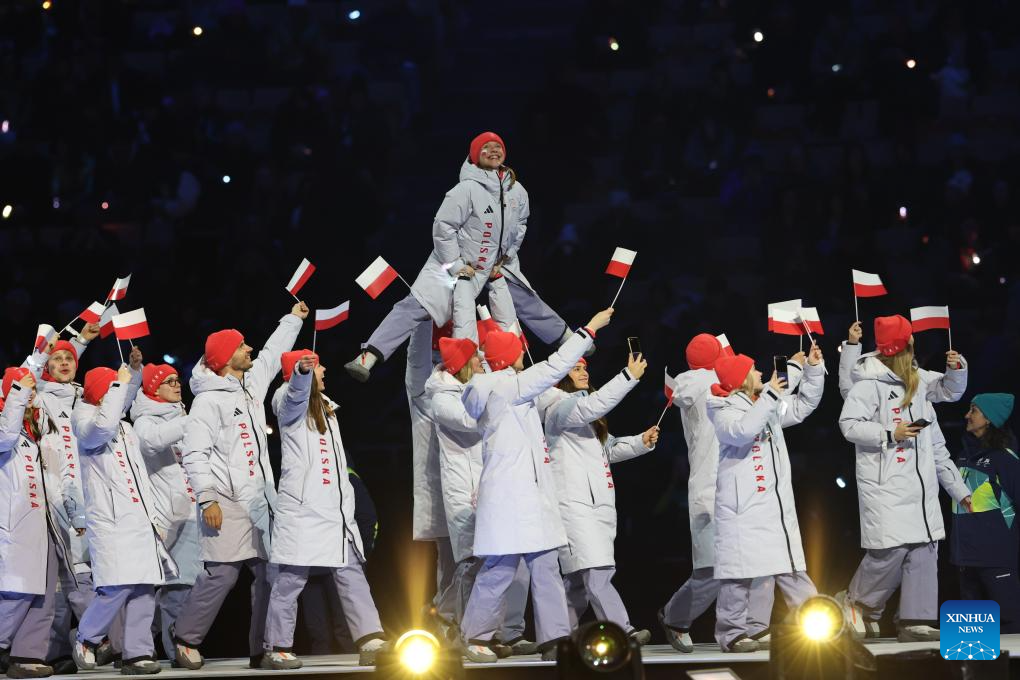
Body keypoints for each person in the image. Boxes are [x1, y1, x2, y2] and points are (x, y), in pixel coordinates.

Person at [345, 131, 572, 383]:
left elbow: (521, 224)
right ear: (475, 156)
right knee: (417, 304)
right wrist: (455, 265)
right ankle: (368, 356)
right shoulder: (465, 190)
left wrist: (507, 255)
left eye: (497, 146)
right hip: (457, 262)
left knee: (527, 299)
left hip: (496, 264)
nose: (494, 151)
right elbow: (443, 227)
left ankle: (568, 339)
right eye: (486, 147)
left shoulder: (516, 190)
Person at [458, 308, 613, 663]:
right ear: (506, 358)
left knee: (546, 567)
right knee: (500, 569)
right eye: (517, 350)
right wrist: (589, 329)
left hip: (530, 498)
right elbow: (556, 366)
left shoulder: (510, 387)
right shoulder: (506, 387)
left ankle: (555, 639)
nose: (522, 355)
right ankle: (475, 637)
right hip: (512, 500)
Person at [172, 303, 307, 670]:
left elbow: (272, 354)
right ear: (224, 358)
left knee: (270, 574)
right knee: (223, 574)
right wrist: (207, 499)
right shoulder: (207, 401)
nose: (249, 348)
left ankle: (265, 648)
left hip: (259, 499)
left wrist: (293, 318)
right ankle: (185, 638)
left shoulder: (249, 387)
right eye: (241, 345)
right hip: (225, 500)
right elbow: (194, 453)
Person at [838, 315, 972, 642]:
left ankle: (915, 620)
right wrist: (890, 432)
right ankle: (856, 603)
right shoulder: (867, 383)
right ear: (904, 345)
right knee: (891, 552)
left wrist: (960, 491)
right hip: (885, 486)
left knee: (925, 549)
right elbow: (849, 425)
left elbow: (944, 416)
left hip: (921, 490)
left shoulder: (919, 380)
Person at [659, 334, 794, 651]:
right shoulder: (711, 385)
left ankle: (754, 626)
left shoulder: (717, 385)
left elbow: (770, 403)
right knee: (714, 569)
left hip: (743, 484)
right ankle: (676, 617)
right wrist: (796, 370)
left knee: (759, 559)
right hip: (713, 487)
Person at [261, 351, 387, 669]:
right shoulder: (287, 401)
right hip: (304, 511)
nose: (324, 369)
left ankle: (371, 639)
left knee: (351, 571)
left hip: (334, 512)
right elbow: (293, 396)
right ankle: (277, 647)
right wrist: (301, 374)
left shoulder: (326, 407)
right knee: (291, 579)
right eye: (318, 367)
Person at [708, 346, 825, 653]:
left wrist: (812, 370)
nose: (760, 372)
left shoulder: (766, 402)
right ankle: (731, 633)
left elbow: (802, 406)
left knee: (789, 566)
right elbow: (743, 430)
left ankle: (822, 623)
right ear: (741, 379)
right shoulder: (722, 409)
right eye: (753, 369)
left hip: (773, 506)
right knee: (739, 574)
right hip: (743, 508)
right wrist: (773, 392)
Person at [424, 337, 535, 656]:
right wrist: (502, 393)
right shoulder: (442, 398)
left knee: (501, 560)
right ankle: (461, 629)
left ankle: (493, 632)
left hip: (491, 486)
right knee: (473, 563)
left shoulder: (479, 385)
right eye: (475, 357)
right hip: (464, 490)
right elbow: (472, 420)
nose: (481, 360)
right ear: (461, 365)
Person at [544, 354, 658, 643]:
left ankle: (556, 637)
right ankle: (622, 630)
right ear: (561, 377)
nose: (584, 372)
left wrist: (640, 442)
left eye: (585, 368)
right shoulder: (559, 409)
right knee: (597, 572)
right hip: (574, 504)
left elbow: (607, 449)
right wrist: (628, 376)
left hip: (600, 505)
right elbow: (593, 405)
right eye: (576, 369)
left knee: (578, 582)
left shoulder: (585, 413)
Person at [71, 358, 173, 675]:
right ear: (101, 392)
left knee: (144, 588)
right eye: (111, 388)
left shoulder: (126, 428)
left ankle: (137, 653)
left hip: (139, 522)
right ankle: (86, 638)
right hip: (111, 523)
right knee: (115, 588)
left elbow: (140, 478)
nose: (118, 393)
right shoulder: (84, 421)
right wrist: (121, 384)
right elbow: (101, 428)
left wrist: (154, 518)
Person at [34, 328, 105, 671]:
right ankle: (70, 647)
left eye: (69, 359)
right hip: (58, 494)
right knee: (71, 573)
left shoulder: (84, 397)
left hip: (94, 493)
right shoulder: (41, 396)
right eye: (57, 359)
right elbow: (26, 378)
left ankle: (86, 642)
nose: (64, 363)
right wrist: (79, 342)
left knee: (90, 571)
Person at [0, 367, 70, 679]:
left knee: (45, 594)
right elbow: (5, 437)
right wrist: (17, 392)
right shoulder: (6, 429)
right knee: (17, 592)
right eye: (22, 390)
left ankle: (27, 654)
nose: (29, 396)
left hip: (46, 521)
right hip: (15, 523)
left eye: (32, 391)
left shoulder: (38, 430)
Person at [130, 363, 199, 659]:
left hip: (192, 513)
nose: (176, 384)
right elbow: (150, 443)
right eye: (168, 381)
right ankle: (176, 654)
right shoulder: (144, 420)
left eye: (176, 379)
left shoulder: (181, 416)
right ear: (153, 388)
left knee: (186, 587)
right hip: (166, 519)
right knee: (178, 589)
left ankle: (119, 641)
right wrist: (193, 421)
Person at [952, 393, 1020, 633]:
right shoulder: (962, 456)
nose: (966, 415)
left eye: (974, 410)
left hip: (997, 559)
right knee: (970, 638)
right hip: (965, 558)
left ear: (989, 418)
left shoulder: (1006, 458)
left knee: (1010, 628)